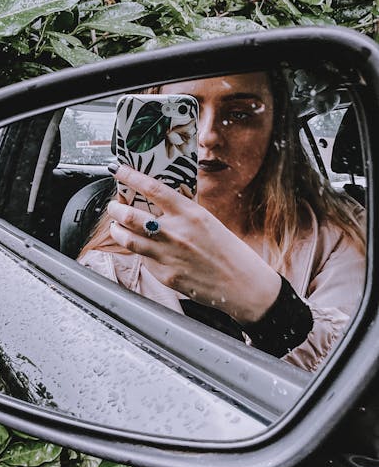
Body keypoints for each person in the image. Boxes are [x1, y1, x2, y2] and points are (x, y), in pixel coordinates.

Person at [78, 71, 366, 372]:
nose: (207, 135)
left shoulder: (340, 234)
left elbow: (356, 383)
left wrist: (265, 303)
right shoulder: (109, 270)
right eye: (183, 113)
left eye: (240, 114)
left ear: (275, 129)